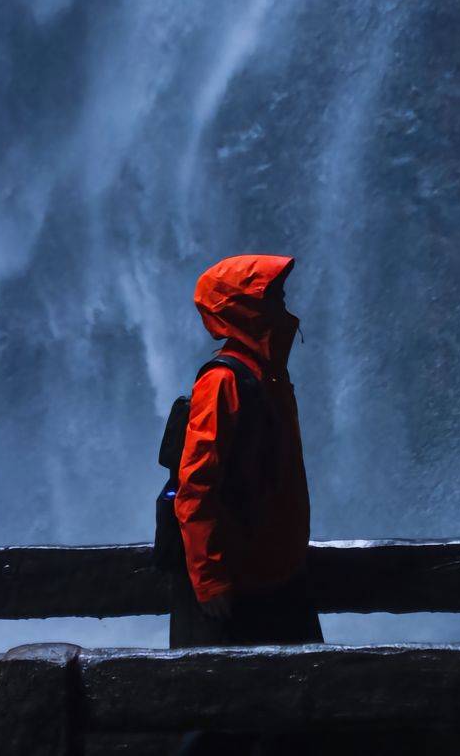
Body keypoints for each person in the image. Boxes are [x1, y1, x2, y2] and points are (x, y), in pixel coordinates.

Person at [170, 252, 323, 649]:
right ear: (245, 308)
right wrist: (209, 579)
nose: (283, 306)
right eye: (273, 297)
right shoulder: (224, 381)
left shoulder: (266, 373)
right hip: (241, 585)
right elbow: (196, 486)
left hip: (277, 572)